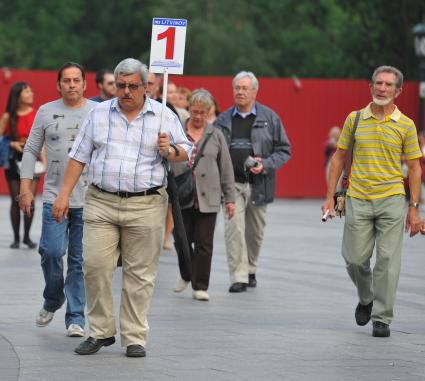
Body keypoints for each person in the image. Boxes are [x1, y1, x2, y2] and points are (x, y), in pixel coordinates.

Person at [52, 58, 192, 358]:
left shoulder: (163, 116)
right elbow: (78, 157)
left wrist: (169, 150)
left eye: (132, 86)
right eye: (121, 85)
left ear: (145, 87)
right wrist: (63, 195)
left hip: (146, 203)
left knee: (140, 274)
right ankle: (101, 332)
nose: (126, 91)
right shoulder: (99, 114)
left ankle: (134, 336)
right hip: (101, 201)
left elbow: (186, 152)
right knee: (95, 266)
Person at [322, 65, 422, 338]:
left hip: (391, 199)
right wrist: (329, 196)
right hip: (358, 198)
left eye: (388, 85)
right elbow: (339, 158)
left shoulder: (406, 125)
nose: (382, 88)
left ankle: (381, 317)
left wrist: (414, 208)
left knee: (388, 260)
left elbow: (414, 168)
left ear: (398, 91)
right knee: (354, 259)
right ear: (371, 86)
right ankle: (366, 298)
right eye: (378, 83)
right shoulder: (354, 120)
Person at [18, 62, 97, 337]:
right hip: (53, 196)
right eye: (67, 81)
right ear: (58, 84)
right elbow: (30, 149)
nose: (72, 85)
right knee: (50, 251)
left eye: (77, 80)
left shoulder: (97, 112)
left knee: (78, 260)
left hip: (89, 199)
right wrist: (26, 187)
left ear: (85, 84)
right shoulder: (45, 111)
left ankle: (75, 317)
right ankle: (53, 298)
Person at [215, 71, 291, 293]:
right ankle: (238, 276)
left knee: (255, 233)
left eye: (244, 88)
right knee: (234, 230)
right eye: (236, 88)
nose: (239, 92)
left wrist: (265, 164)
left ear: (255, 91)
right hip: (232, 184)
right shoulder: (223, 120)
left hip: (259, 184)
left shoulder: (270, 118)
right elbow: (214, 150)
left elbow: (285, 150)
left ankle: (251, 269)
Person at [172, 89, 235, 301]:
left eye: (203, 113)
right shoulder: (177, 131)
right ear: (189, 109)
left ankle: (200, 285)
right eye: (194, 111)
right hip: (182, 194)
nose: (198, 116)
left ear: (209, 113)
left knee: (204, 243)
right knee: (181, 239)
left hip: (209, 197)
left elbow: (226, 168)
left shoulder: (216, 135)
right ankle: (186, 273)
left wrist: (230, 199)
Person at [0, 82, 40, 249]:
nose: (30, 93)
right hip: (13, 159)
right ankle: (16, 238)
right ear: (18, 95)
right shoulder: (8, 117)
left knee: (29, 200)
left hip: (33, 159)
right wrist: (12, 144)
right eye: (26, 91)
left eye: (31, 90)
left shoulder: (38, 114)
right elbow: (1, 139)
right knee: (17, 199)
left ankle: (27, 237)